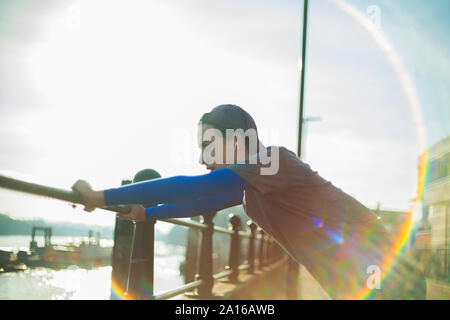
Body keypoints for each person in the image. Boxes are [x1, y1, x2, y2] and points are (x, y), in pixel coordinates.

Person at [72, 104, 426, 300]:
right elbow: (202, 203)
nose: (202, 158)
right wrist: (147, 212)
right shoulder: (254, 185)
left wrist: (99, 196)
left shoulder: (271, 161)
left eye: (209, 146)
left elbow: (190, 188)